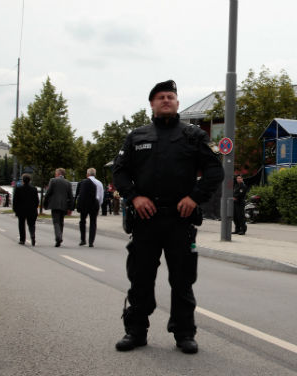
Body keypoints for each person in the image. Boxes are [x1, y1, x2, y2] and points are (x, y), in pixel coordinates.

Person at [112, 80, 223, 354]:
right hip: (146, 221)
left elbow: (214, 170)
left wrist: (194, 197)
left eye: (171, 96)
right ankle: (135, 331)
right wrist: (134, 196)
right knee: (140, 279)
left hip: (180, 220)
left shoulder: (193, 136)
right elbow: (119, 172)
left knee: (182, 279)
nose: (166, 100)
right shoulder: (136, 136)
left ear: (177, 102)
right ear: (151, 103)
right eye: (160, 97)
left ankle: (184, 333)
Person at [43, 167, 73, 247]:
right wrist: (70, 208)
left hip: (55, 204)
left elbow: (48, 193)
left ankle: (58, 237)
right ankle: (59, 238)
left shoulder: (53, 180)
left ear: (58, 173)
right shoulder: (68, 183)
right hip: (64, 205)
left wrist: (45, 203)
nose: (55, 174)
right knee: (61, 222)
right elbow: (71, 196)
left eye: (55, 173)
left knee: (56, 222)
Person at [75, 167, 103, 247]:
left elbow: (79, 194)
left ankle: (83, 239)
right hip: (95, 203)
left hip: (84, 202)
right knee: (93, 222)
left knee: (82, 221)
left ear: (87, 174)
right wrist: (99, 204)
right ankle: (91, 241)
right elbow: (101, 196)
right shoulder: (99, 183)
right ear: (95, 174)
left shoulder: (83, 182)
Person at [13, 173, 39, 246]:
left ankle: (22, 239)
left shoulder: (18, 189)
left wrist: (15, 210)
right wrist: (35, 207)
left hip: (21, 210)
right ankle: (32, 235)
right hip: (32, 210)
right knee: (31, 224)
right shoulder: (34, 189)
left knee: (21, 224)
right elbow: (37, 201)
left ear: (23, 181)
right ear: (30, 180)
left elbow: (15, 201)